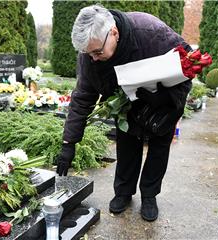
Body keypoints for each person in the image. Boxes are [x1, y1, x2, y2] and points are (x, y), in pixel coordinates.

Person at [56, 4, 192, 221]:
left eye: (97, 52)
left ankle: (149, 195)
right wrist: (69, 143)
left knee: (158, 148)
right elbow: (83, 96)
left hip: (163, 103)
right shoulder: (90, 54)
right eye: (87, 53)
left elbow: (189, 64)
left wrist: (164, 97)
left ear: (114, 33)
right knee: (127, 145)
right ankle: (123, 192)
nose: (93, 58)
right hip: (127, 105)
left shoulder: (151, 32)